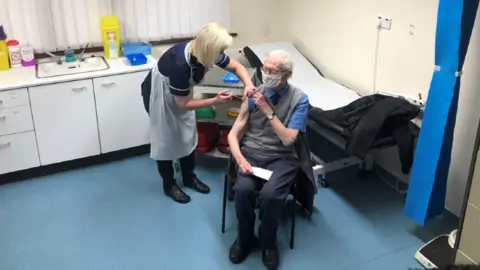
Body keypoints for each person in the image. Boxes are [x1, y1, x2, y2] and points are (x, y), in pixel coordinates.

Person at [141, 22, 256, 204]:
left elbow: (237, 67)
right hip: (160, 94)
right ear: (208, 49)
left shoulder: (208, 53)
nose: (221, 55)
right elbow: (184, 103)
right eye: (219, 51)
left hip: (181, 96)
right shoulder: (180, 64)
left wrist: (248, 83)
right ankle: (169, 184)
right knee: (165, 139)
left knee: (187, 133)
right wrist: (214, 101)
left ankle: (188, 176)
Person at [226, 50, 309, 269]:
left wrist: (267, 109)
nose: (267, 74)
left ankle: (268, 242)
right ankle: (244, 239)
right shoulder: (253, 93)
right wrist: (239, 158)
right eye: (265, 69)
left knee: (270, 195)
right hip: (251, 154)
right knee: (242, 191)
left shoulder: (299, 100)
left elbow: (289, 140)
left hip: (282, 157)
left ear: (287, 75)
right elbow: (233, 134)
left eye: (273, 71)